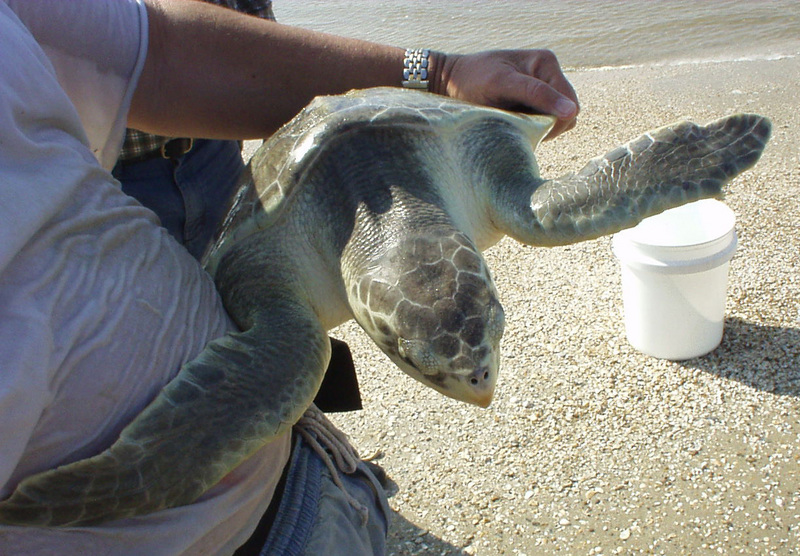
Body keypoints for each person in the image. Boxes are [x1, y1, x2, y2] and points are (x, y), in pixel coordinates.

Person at [0, 1, 579, 554]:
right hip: (210, 535)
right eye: (418, 357)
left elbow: (150, 47)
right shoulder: (288, 331)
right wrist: (135, 476)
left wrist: (440, 73)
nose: (483, 387)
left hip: (292, 493)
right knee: (293, 354)